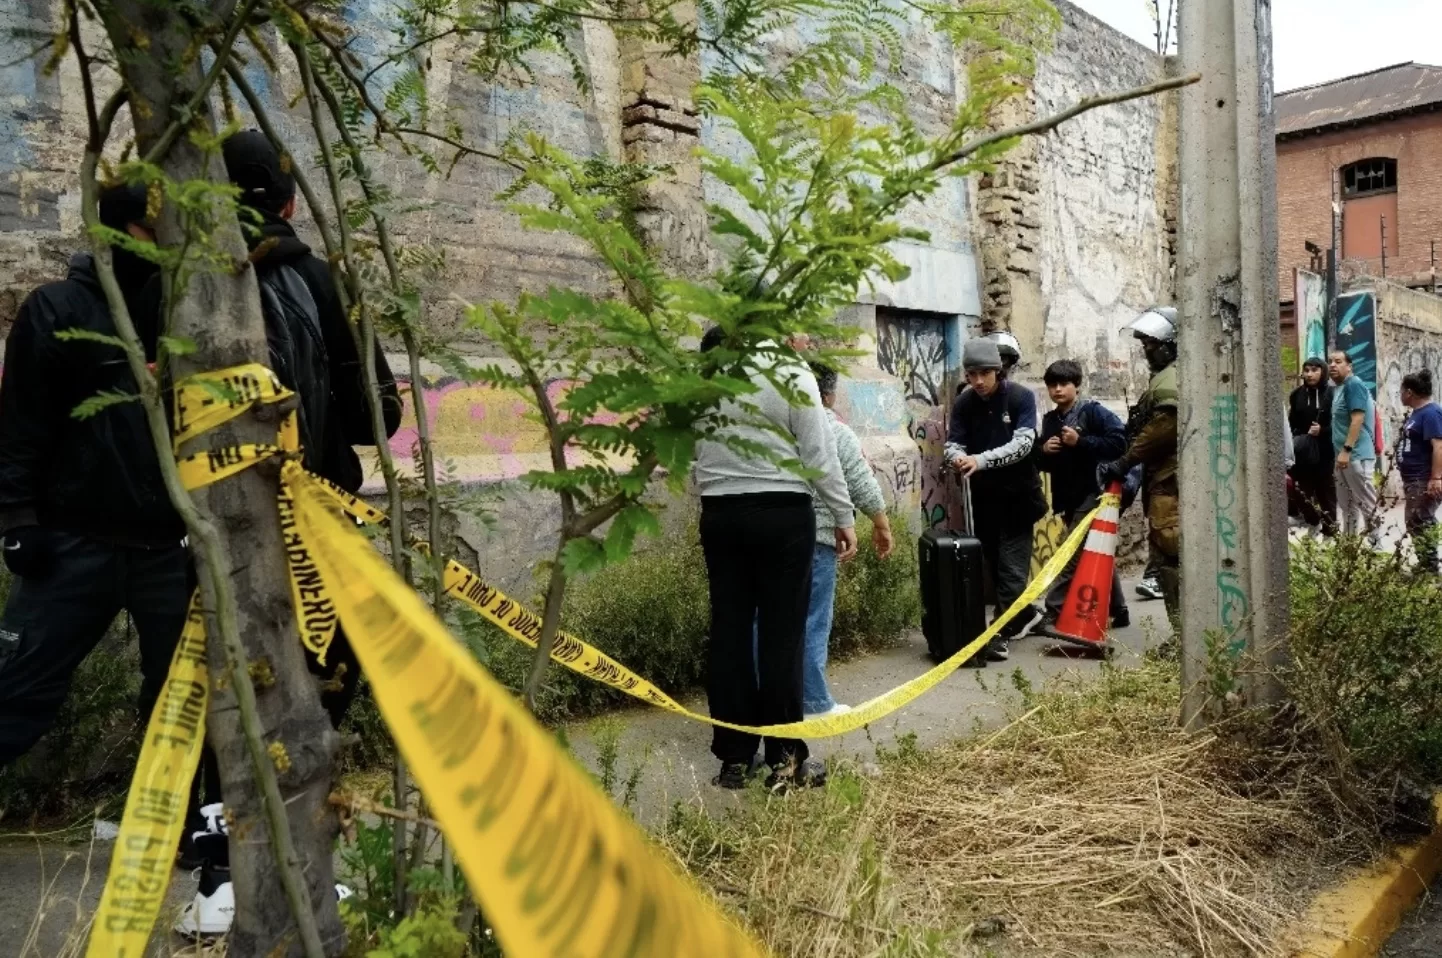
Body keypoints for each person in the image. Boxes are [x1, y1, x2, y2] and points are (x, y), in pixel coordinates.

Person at [169, 130, 405, 935]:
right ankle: (290, 879)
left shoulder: (182, 281)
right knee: (310, 689)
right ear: (292, 199)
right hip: (315, 523)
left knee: (222, 688)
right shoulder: (320, 280)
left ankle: (217, 885)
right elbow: (385, 413)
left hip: (209, 518)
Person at [0, 184, 189, 774]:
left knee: (182, 704)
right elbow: (19, 426)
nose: (167, 248)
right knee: (16, 691)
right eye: (154, 234)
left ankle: (186, 834)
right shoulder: (56, 310)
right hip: (70, 545)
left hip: (166, 548)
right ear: (116, 231)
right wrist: (17, 520)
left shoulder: (184, 316)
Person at [694, 328, 855, 791]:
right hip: (782, 513)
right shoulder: (790, 372)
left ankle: (733, 761)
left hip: (720, 514)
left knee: (730, 634)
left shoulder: (704, 379)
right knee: (783, 636)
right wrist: (843, 515)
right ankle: (785, 761)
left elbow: (691, 454)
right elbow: (818, 453)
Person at [944, 338, 1047, 662]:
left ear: (997, 371)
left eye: (984, 373)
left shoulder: (1020, 398)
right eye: (971, 373)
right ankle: (1027, 613)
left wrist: (980, 460)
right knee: (995, 567)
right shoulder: (964, 402)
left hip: (1018, 501)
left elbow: (1023, 444)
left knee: (1012, 571)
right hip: (982, 502)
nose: (977, 381)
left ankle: (999, 634)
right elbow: (953, 443)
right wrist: (958, 457)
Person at [803, 364, 893, 719]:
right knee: (812, 619)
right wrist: (881, 524)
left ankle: (765, 701)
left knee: (767, 621)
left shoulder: (775, 428)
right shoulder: (833, 429)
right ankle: (812, 702)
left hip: (776, 535)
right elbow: (857, 479)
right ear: (830, 394)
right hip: (820, 536)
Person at [1035, 359, 1129, 633]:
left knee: (1071, 552)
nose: (1057, 390)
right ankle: (1119, 609)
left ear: (1076, 386)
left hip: (1096, 493)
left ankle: (1053, 610)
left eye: (1063, 384)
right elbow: (1047, 464)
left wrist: (1081, 441)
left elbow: (1119, 444)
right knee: (1094, 547)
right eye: (1052, 385)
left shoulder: (1093, 412)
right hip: (1069, 498)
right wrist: (1045, 451)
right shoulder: (1051, 420)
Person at [1099, 306, 1180, 623]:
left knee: (1171, 559)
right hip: (1165, 480)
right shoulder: (1171, 377)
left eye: (1152, 345)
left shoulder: (1171, 382)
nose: (1148, 351)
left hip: (1171, 485)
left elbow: (1159, 431)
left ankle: (1184, 643)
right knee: (1167, 561)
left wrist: (1123, 462)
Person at [1327, 350, 1379, 543]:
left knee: (1366, 502)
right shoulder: (1339, 388)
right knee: (1347, 504)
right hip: (1342, 457)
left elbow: (1357, 419)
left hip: (1356, 455)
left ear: (1349, 366)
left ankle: (1377, 545)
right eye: (1330, 361)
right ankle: (1349, 548)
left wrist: (1346, 450)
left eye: (1338, 361)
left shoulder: (1354, 385)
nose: (1332, 365)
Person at [1398, 369, 1442, 573]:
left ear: (1409, 392)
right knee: (1415, 519)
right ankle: (1426, 563)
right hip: (1413, 478)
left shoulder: (1431, 413)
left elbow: (1439, 446)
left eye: (1401, 390)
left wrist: (1436, 478)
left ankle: (1430, 566)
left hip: (1423, 477)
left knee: (1421, 518)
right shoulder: (1417, 413)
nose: (1400, 395)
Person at [1287, 357, 1336, 535]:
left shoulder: (1332, 393)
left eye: (1314, 370)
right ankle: (1313, 522)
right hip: (1302, 452)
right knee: (1301, 492)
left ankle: (1330, 534)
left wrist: (1323, 430)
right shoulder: (1297, 394)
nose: (1309, 374)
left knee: (1326, 495)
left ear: (1323, 371)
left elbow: (1340, 423)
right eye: (1306, 370)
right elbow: (1291, 423)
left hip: (1325, 452)